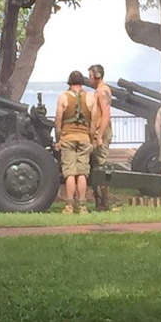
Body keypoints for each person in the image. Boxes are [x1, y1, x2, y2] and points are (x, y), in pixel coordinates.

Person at [54, 70, 95, 214]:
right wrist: (91, 140)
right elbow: (93, 124)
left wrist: (58, 139)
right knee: (82, 172)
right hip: (84, 138)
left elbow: (58, 122)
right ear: (82, 82)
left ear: (69, 82)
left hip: (68, 138)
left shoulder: (63, 97)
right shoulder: (90, 98)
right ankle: (82, 205)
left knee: (70, 173)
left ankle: (69, 206)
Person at [87, 64, 113, 211]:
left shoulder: (102, 92)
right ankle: (99, 202)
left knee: (100, 166)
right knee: (95, 165)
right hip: (98, 131)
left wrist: (99, 136)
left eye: (91, 76)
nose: (89, 79)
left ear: (97, 76)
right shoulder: (100, 91)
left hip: (100, 131)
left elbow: (105, 115)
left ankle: (104, 203)